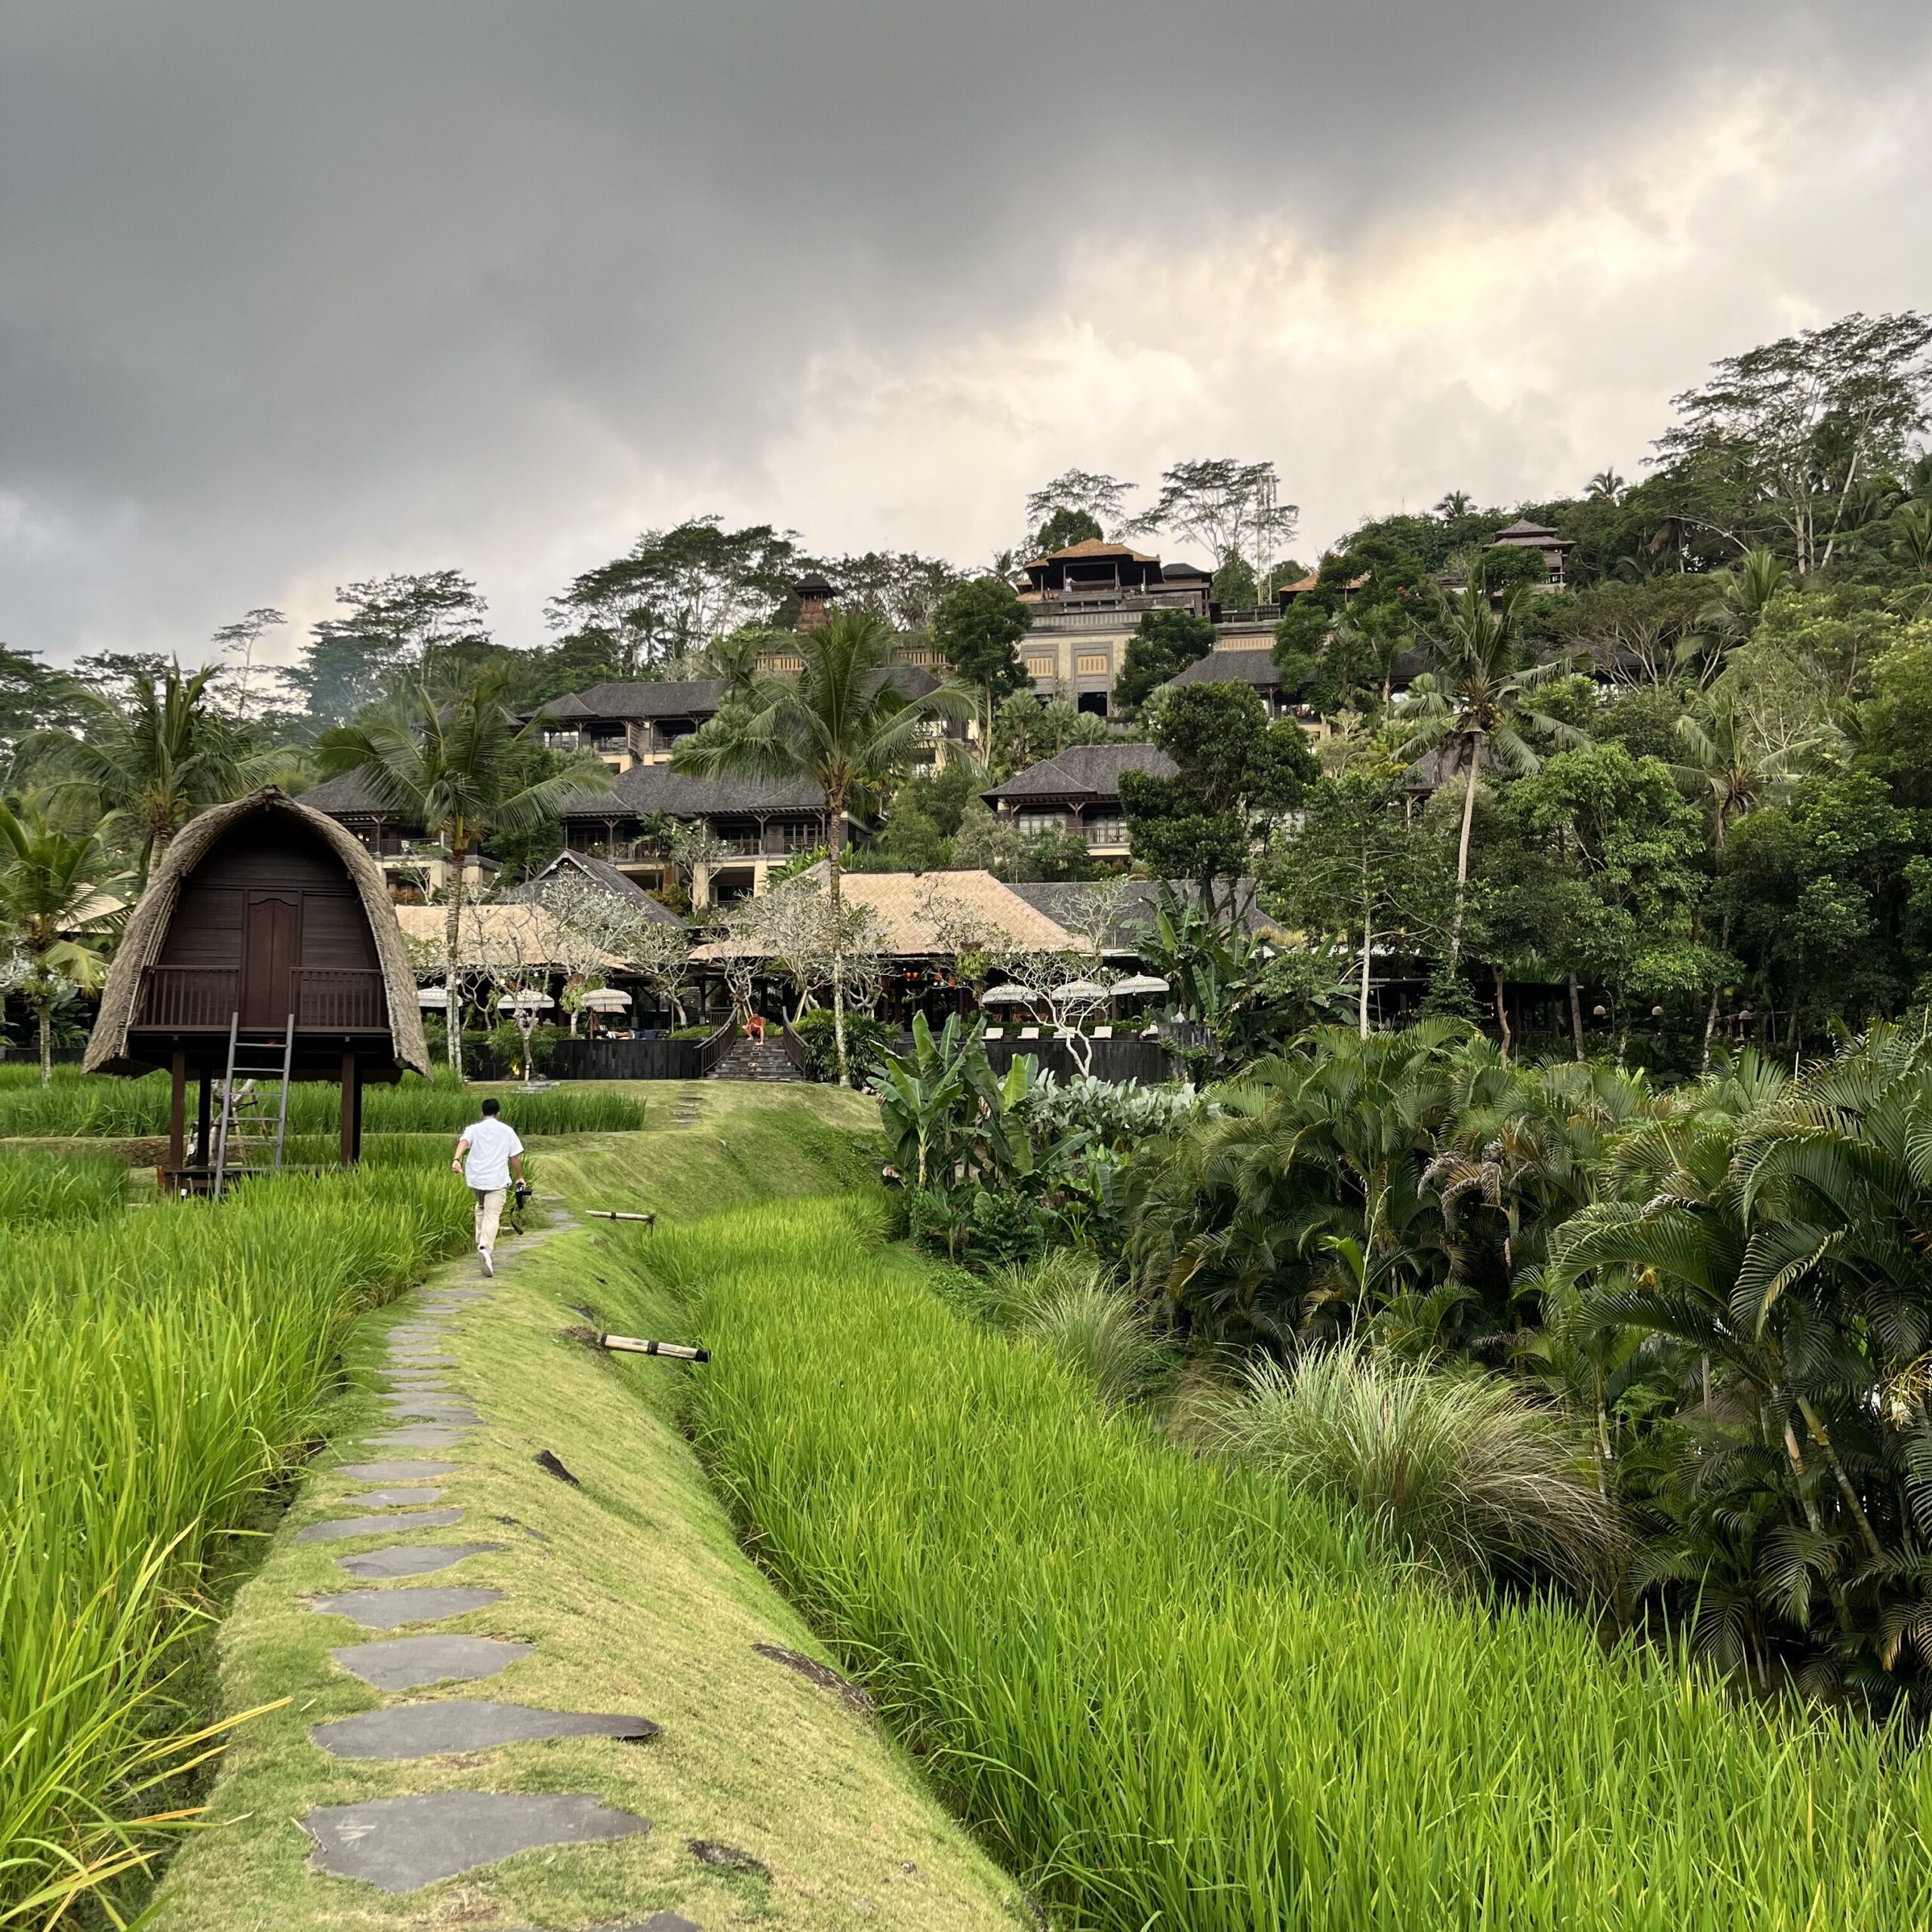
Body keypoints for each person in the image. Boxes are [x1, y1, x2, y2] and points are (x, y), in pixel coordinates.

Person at [451, 1097, 525, 1277]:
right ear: (498, 1113)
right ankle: (485, 1249)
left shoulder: (474, 1129)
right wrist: (520, 1177)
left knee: (482, 1206)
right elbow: (514, 1157)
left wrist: (456, 1159)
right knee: (492, 1214)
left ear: (481, 1113)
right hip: (496, 1180)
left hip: (476, 1179)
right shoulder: (507, 1131)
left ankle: (480, 1238)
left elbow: (464, 1142)